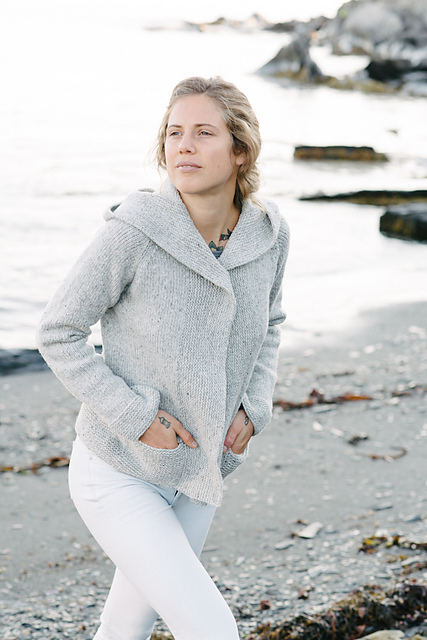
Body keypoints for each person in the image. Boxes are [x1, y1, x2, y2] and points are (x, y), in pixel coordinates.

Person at [36, 76, 290, 640]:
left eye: (204, 133)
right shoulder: (133, 232)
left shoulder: (269, 234)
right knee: (213, 630)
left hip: (201, 470)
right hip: (119, 469)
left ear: (241, 149)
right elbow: (58, 332)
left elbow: (270, 323)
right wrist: (138, 417)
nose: (184, 146)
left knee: (124, 629)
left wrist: (255, 406)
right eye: (174, 133)